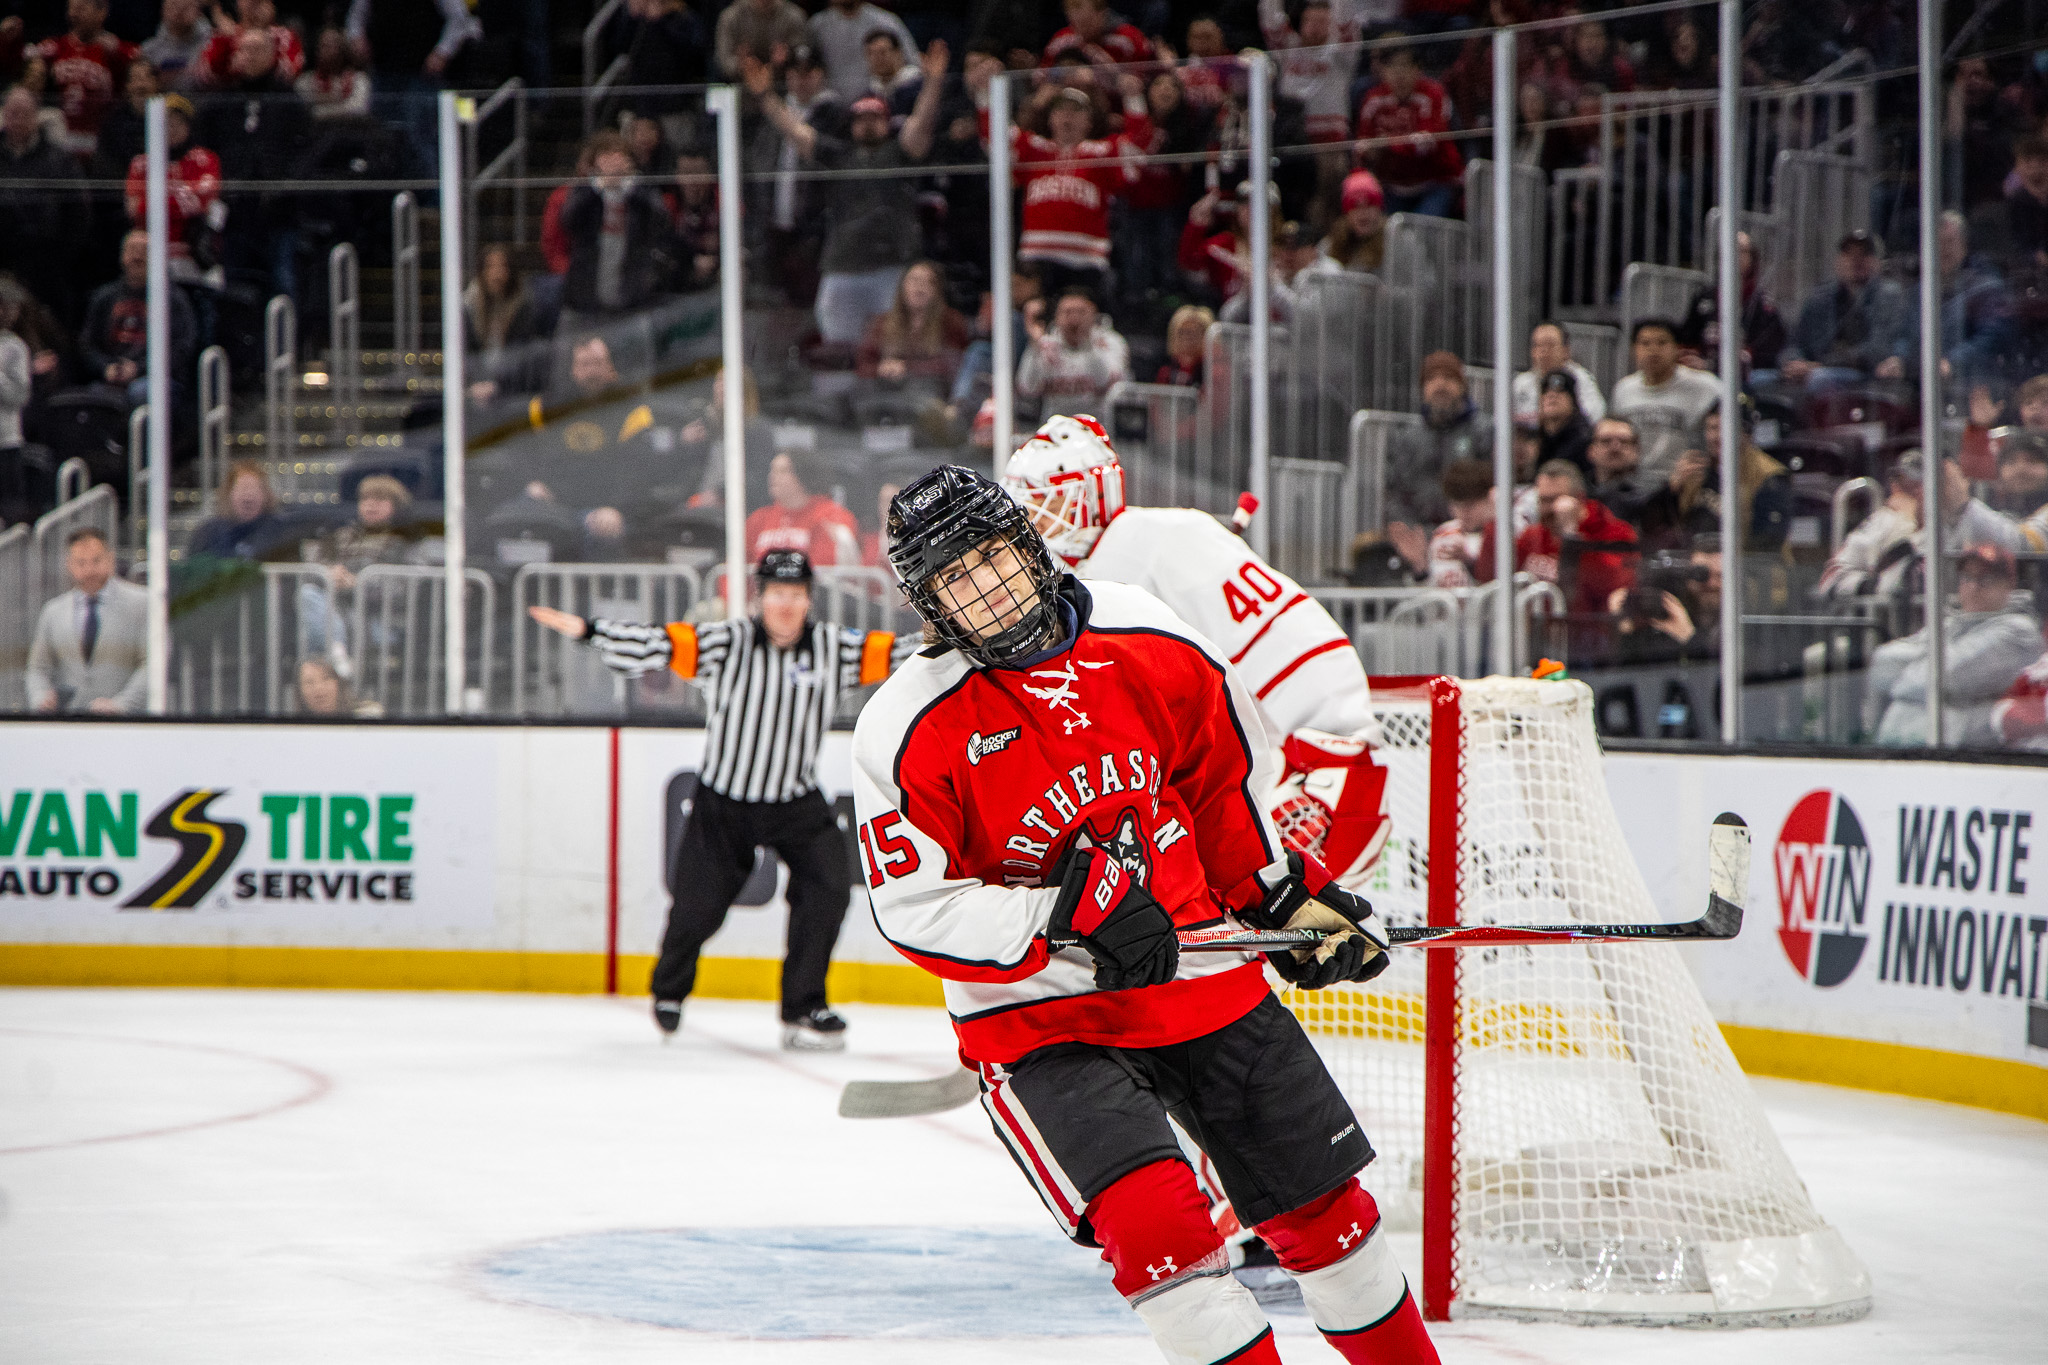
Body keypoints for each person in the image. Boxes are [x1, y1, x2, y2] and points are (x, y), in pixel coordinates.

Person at [851, 463, 1434, 1365]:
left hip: (1203, 978)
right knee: (1170, 1253)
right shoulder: (905, 726)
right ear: (929, 604)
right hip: (1045, 1022)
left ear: (1030, 547)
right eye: (955, 578)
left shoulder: (1147, 633)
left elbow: (1219, 790)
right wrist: (1064, 916)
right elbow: (916, 908)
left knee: (1337, 1230)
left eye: (992, 556)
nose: (985, 588)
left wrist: (1281, 894)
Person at [532, 549, 902, 1048]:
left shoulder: (833, 647)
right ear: (759, 597)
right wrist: (591, 630)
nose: (786, 604)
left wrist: (966, 632)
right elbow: (661, 644)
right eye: (777, 593)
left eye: (795, 594)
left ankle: (804, 1006)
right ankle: (669, 990)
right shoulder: (727, 642)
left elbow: (903, 654)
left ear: (809, 600)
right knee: (697, 908)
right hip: (725, 803)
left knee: (828, 888)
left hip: (795, 799)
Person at [745, 41, 948, 346]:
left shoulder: (900, 152)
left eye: (875, 118)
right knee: (838, 347)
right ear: (852, 124)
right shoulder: (839, 156)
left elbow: (922, 123)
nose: (867, 125)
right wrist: (765, 97)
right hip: (843, 267)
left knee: (892, 345)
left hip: (892, 266)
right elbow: (796, 132)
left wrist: (933, 83)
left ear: (886, 122)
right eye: (861, 119)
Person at [968, 53, 1152, 304]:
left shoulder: (1102, 152)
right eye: (1061, 110)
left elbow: (1138, 150)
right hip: (1037, 258)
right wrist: (985, 93)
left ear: (1089, 121)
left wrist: (1134, 99)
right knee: (1035, 318)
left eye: (1075, 112)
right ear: (1050, 118)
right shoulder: (1034, 149)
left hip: (1086, 261)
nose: (1067, 117)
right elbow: (995, 139)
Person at [1866, 544, 2040, 747]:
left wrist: (1910, 680)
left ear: (2009, 584)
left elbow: (1946, 677)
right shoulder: (1951, 624)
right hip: (1902, 750)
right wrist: (1927, 676)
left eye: (1986, 579)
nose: (1973, 587)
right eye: (1967, 578)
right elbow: (1882, 663)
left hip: (1967, 755)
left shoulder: (2018, 632)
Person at [1758, 230, 1912, 394]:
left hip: (1862, 374)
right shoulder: (1820, 297)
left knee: (1820, 378)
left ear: (1876, 262)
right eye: (1849, 254)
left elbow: (1877, 350)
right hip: (1814, 369)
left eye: (1864, 254)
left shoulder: (1889, 295)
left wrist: (1819, 365)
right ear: (1838, 260)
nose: (1856, 260)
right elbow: (1795, 343)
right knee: (1758, 379)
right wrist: (1792, 363)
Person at [556, 130, 679, 323]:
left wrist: (631, 189)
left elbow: (661, 219)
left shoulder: (641, 190)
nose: (614, 163)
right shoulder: (584, 189)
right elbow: (568, 220)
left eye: (618, 156)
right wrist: (598, 187)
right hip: (585, 300)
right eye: (607, 157)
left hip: (631, 298)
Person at [1491, 459, 1638, 616]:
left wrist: (1572, 538)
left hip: (1588, 626)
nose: (1548, 509)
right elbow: (1493, 578)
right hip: (1539, 628)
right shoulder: (1533, 536)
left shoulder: (1615, 533)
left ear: (1579, 499)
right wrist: (1495, 522)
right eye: (1542, 500)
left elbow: (1613, 588)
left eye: (1555, 499)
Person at [27, 527, 148, 714]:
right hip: (70, 722)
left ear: (110, 559)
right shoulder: (53, 611)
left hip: (128, 721)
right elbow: (38, 669)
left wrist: (122, 704)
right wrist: (41, 699)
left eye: (96, 561)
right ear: (69, 565)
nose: (89, 570)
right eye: (81, 563)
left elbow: (152, 664)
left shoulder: (142, 603)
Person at [82, 231, 198, 407]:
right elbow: (87, 344)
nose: (137, 256)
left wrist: (139, 369)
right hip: (112, 377)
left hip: (159, 379)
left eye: (144, 251)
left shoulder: (173, 299)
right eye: (132, 250)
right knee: (91, 399)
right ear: (122, 256)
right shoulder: (104, 298)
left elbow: (182, 347)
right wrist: (106, 367)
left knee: (140, 392)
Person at [1384, 350, 1492, 536]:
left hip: (1470, 534)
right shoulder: (1406, 437)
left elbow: (1491, 489)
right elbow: (1395, 494)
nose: (1440, 385)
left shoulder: (1484, 431)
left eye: (1448, 378)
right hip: (1417, 535)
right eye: (1431, 379)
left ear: (1462, 386)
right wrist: (1410, 531)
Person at [1353, 41, 1461, 219]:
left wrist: (1387, 143)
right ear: (1382, 70)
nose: (1399, 74)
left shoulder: (1433, 94)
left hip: (1435, 182)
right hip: (1391, 186)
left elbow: (1427, 143)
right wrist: (1369, 153)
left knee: (1422, 229)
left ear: (1417, 69)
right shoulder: (1373, 99)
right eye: (1392, 67)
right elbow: (1363, 145)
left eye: (1405, 65)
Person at [1609, 317, 1722, 485]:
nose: (1653, 350)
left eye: (1662, 343)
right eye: (1645, 343)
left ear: (1677, 348)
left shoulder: (1707, 387)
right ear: (1634, 349)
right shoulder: (1623, 389)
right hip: (1632, 485)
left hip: (1687, 483)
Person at [121, 94, 218, 275]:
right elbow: (135, 210)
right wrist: (182, 195)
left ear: (188, 126)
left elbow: (203, 203)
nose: (171, 129)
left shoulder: (205, 160)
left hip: (193, 254)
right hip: (150, 255)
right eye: (166, 123)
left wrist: (156, 199)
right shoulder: (140, 163)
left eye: (178, 123)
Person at [1674, 229, 1787, 380]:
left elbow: (1764, 355)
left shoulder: (1764, 305)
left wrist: (1711, 366)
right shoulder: (1703, 298)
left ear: (1752, 258)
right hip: (1702, 374)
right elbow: (1688, 340)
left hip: (1746, 377)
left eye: (1742, 251)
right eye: (1731, 249)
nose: (1735, 256)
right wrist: (1689, 358)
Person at [31, 0, 136, 159]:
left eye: (81, 7)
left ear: (102, 12)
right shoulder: (55, 47)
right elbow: (22, 62)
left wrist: (118, 54)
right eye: (71, 7)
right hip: (58, 138)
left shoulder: (118, 52)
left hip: (102, 141)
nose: (74, 13)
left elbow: (144, 65)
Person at [855, 259, 970, 397]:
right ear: (902, 287)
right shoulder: (882, 322)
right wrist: (880, 368)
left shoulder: (950, 321)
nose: (919, 287)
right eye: (914, 280)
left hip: (930, 393)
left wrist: (907, 368)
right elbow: (863, 365)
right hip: (886, 391)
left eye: (928, 282)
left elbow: (954, 364)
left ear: (937, 290)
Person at [1016, 287, 1129, 420]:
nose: (1074, 319)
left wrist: (1087, 343)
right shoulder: (1045, 344)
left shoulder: (1110, 342)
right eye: (1067, 312)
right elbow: (1027, 388)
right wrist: (1035, 345)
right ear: (1056, 317)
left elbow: (1106, 384)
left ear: (1094, 314)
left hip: (1097, 425)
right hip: (1056, 426)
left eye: (1081, 312)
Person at [745, 451, 860, 566]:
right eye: (772, 471)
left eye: (783, 471)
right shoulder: (759, 519)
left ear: (803, 475)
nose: (773, 477)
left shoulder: (831, 515)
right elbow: (740, 562)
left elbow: (825, 565)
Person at [807, 0, 916, 103]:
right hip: (832, 106)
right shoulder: (817, 25)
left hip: (879, 103)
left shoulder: (886, 22)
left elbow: (912, 64)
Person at [188, 459, 292, 561]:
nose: (248, 494)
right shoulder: (208, 534)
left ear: (266, 495)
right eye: (243, 488)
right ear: (228, 494)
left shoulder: (280, 532)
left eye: (254, 489)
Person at [1513, 321, 1606, 426]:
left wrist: (1559, 416)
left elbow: (1594, 414)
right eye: (1538, 345)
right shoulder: (1521, 383)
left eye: (1550, 345)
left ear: (1566, 350)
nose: (1543, 352)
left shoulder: (1580, 378)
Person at [713, 0, 808, 82]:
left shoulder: (793, 16)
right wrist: (740, 64)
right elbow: (724, 60)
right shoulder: (731, 17)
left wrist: (788, 58)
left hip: (783, 83)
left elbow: (802, 56)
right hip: (739, 83)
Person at [1584, 415, 1653, 526]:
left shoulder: (1651, 498)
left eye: (1624, 441)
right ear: (1591, 450)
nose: (1615, 447)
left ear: (1636, 451)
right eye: (1606, 441)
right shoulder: (1578, 492)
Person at [1040, 0, 1152, 68]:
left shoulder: (1129, 37)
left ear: (1102, 12)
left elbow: (1145, 76)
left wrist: (1113, 73)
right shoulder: (1061, 40)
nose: (1081, 30)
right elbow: (1042, 75)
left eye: (1086, 23)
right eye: (1074, 23)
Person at [1317, 169, 1386, 273]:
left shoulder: (1394, 244)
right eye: (1355, 205)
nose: (1363, 212)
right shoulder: (1329, 247)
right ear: (1346, 212)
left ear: (1379, 208)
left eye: (1370, 203)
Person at [297, 26, 370, 120]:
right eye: (324, 45)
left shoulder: (359, 80)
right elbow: (306, 110)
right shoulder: (305, 81)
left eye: (334, 45)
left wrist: (322, 110)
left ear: (343, 49)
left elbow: (358, 108)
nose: (329, 50)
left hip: (350, 127)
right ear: (317, 50)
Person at [1532, 369, 1593, 480]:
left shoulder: (1584, 440)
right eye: (1546, 392)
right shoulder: (1535, 437)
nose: (1552, 396)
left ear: (1573, 401)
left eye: (1560, 392)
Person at [141, 0, 214, 91]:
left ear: (199, 10)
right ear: (163, 9)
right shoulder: (148, 50)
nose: (179, 10)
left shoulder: (212, 44)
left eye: (186, 6)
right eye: (174, 4)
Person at [294, 655, 382, 717]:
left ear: (339, 683)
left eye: (326, 678)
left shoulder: (369, 714)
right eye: (309, 682)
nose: (319, 688)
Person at [1156, 304, 1211, 387]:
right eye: (1182, 332)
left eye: (1194, 332)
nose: (1187, 337)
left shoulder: (1212, 370)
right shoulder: (1166, 373)